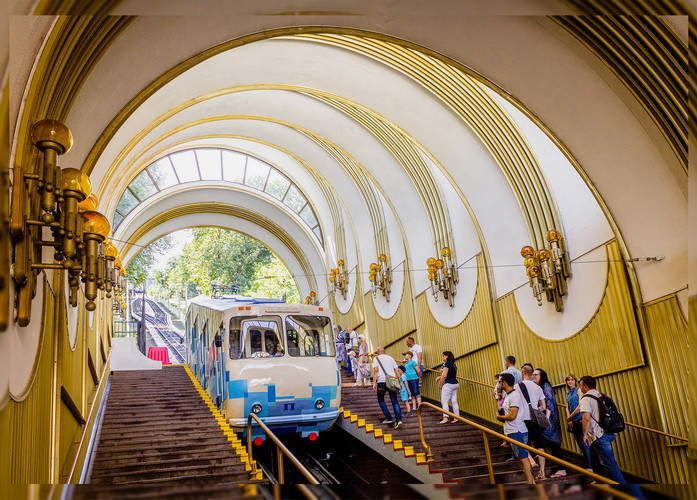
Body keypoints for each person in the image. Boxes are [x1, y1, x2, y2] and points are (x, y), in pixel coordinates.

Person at [579, 375, 627, 484]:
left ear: (585, 386)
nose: (580, 388)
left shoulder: (586, 399)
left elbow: (586, 418)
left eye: (581, 385)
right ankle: (600, 480)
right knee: (593, 453)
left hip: (599, 435)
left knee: (610, 464)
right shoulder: (601, 395)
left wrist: (585, 434)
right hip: (610, 432)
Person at [497, 372, 535, 484]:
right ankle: (532, 482)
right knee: (522, 458)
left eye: (500, 382)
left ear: (504, 383)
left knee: (523, 459)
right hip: (513, 430)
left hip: (517, 430)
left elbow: (513, 415)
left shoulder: (514, 396)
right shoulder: (508, 395)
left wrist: (500, 417)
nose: (499, 384)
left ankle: (530, 483)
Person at [532, 368, 565, 479]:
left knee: (554, 444)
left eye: (536, 374)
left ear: (542, 376)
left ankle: (562, 468)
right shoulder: (538, 387)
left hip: (549, 420)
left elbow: (550, 404)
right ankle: (558, 467)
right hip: (545, 420)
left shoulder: (546, 386)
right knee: (548, 444)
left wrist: (546, 419)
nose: (533, 376)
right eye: (533, 374)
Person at [515, 365, 545, 469]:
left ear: (522, 373)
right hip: (536, 419)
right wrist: (535, 411)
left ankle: (532, 464)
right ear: (531, 374)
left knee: (525, 444)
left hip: (524, 419)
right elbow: (543, 406)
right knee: (539, 445)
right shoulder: (537, 387)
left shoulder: (517, 386)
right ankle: (543, 472)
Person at [564, 374, 593, 471]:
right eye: (568, 380)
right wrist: (569, 418)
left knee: (584, 443)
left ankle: (590, 465)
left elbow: (580, 406)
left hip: (580, 418)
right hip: (573, 420)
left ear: (575, 381)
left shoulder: (579, 390)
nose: (570, 381)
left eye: (572, 379)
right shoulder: (568, 393)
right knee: (580, 443)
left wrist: (570, 416)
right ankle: (587, 463)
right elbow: (567, 406)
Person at [372, 346, 403, 428]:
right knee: (394, 400)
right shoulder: (391, 358)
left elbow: (376, 371)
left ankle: (388, 417)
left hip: (381, 381)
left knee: (381, 399)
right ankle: (398, 420)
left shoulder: (376, 359)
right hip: (392, 381)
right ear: (384, 351)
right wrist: (399, 382)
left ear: (378, 352)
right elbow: (397, 370)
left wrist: (374, 382)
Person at [435, 351, 459, 424]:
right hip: (455, 384)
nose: (442, 357)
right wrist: (440, 377)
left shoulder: (447, 364)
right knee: (454, 401)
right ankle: (456, 417)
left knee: (444, 401)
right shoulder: (453, 364)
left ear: (446, 356)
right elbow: (449, 374)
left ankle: (445, 418)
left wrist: (440, 384)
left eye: (443, 356)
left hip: (448, 384)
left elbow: (444, 375)